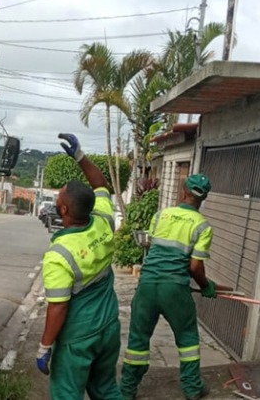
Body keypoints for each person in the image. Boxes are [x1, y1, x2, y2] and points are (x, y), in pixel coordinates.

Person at [35, 133, 121, 400]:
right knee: (106, 390)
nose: (58, 196)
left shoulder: (59, 254)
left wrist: (45, 346)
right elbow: (102, 185)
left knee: (66, 394)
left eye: (59, 197)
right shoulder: (104, 221)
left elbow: (58, 306)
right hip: (109, 326)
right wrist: (80, 157)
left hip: (78, 338)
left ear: (62, 210)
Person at [120, 174, 216, 400]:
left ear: (183, 192)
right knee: (188, 339)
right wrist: (206, 286)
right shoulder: (202, 226)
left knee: (138, 341)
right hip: (174, 289)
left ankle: (126, 390)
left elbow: (156, 250)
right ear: (204, 198)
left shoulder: (160, 215)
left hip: (147, 286)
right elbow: (194, 267)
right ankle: (192, 388)